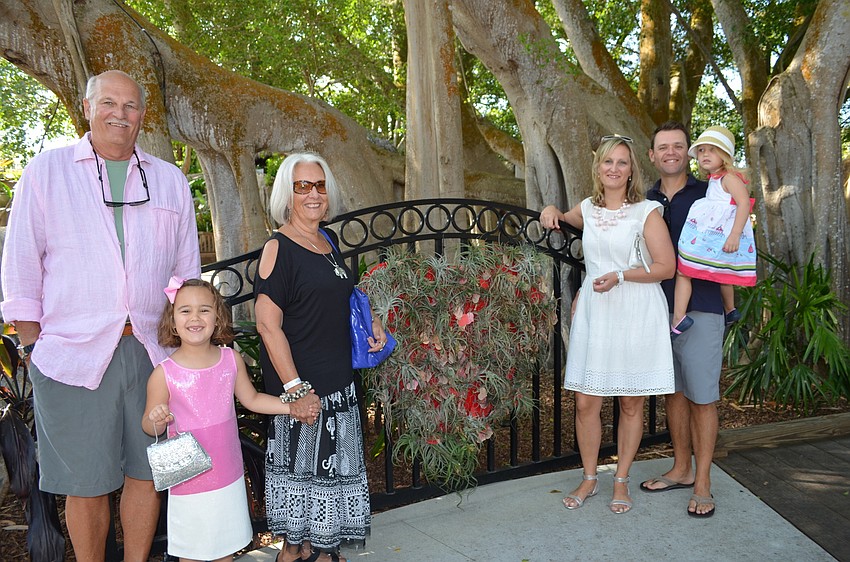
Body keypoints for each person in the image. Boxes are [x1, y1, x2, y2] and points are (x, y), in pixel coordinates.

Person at [0, 70, 200, 560]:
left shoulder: (169, 180)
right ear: (87, 108)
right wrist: (32, 348)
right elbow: (22, 263)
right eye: (108, 102)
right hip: (70, 354)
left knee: (149, 471)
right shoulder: (47, 172)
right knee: (84, 483)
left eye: (131, 105)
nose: (120, 113)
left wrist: (188, 349)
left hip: (153, 351)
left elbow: (186, 272)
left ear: (143, 116)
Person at [254, 152, 387, 562]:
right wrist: (295, 390)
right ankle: (294, 555)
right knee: (301, 498)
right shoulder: (278, 247)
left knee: (325, 486)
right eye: (302, 186)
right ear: (287, 195)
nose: (313, 194)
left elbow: (339, 296)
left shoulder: (326, 240)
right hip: (304, 392)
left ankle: (323, 552)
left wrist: (374, 321)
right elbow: (266, 325)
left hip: (338, 384)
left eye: (320, 185)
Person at [540, 135, 676, 514]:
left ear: (632, 169)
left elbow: (667, 267)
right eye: (607, 162)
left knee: (631, 402)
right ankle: (589, 477)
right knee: (586, 402)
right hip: (597, 312)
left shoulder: (646, 211)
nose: (614, 168)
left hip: (634, 308)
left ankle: (621, 480)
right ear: (597, 167)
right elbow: (561, 219)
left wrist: (620, 276)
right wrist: (550, 209)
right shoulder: (588, 208)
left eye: (622, 162)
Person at [143, 278, 317, 562]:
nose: (195, 318)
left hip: (228, 475)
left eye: (204, 310)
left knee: (225, 549)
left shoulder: (230, 359)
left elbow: (252, 399)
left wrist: (292, 407)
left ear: (217, 317)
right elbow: (149, 425)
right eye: (185, 311)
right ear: (172, 322)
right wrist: (157, 419)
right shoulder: (164, 373)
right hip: (189, 482)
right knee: (193, 553)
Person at [640, 121, 724, 518]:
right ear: (652, 155)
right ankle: (681, 468)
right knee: (673, 392)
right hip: (655, 309)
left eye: (679, 146)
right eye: (663, 147)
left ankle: (704, 482)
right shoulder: (645, 200)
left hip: (702, 307)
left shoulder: (712, 191)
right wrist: (554, 211)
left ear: (689, 153)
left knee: (703, 397)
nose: (671, 152)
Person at [670, 125, 756, 338]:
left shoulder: (729, 178)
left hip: (722, 235)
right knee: (721, 272)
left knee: (684, 270)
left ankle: (678, 317)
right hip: (714, 235)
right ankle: (730, 309)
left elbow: (744, 203)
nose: (705, 154)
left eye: (712, 149)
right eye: (701, 150)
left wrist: (735, 234)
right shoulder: (715, 179)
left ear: (725, 155)